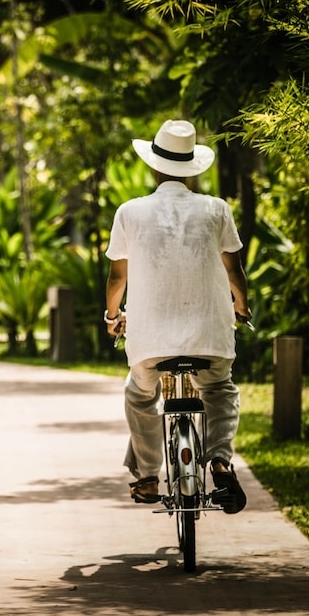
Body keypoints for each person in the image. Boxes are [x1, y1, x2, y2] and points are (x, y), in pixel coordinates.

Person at [104, 119, 252, 514]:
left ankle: (149, 475)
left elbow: (118, 275)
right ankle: (220, 460)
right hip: (210, 334)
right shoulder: (216, 209)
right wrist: (241, 306)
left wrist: (113, 315)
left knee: (140, 395)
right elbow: (234, 272)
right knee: (219, 391)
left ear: (154, 166)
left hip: (149, 339)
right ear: (191, 168)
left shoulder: (129, 212)